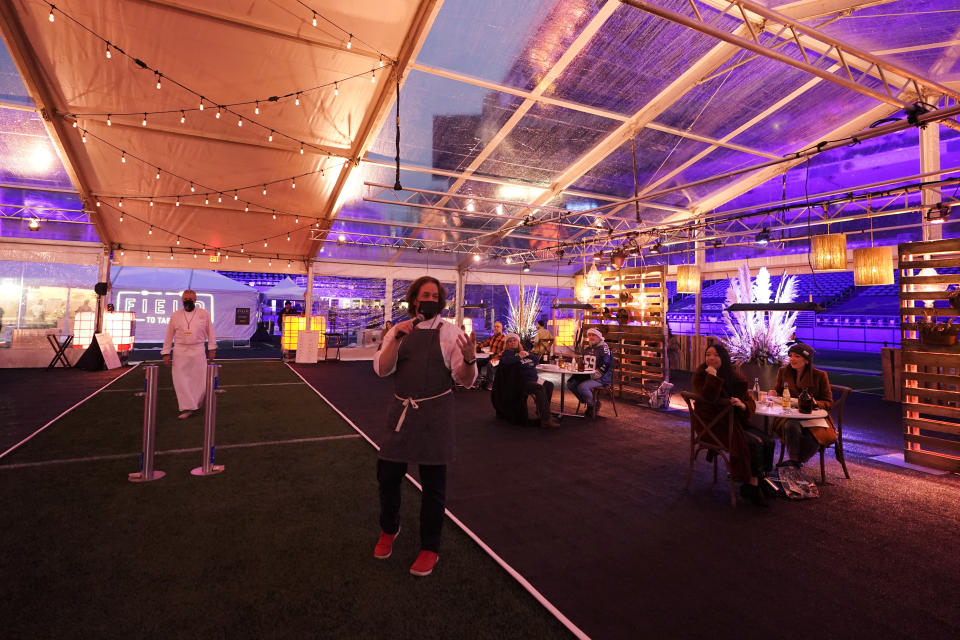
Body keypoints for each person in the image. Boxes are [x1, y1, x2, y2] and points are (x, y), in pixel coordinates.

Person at [373, 276, 476, 577]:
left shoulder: (450, 332)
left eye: (434, 294)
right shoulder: (398, 330)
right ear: (414, 300)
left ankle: (430, 546)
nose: (429, 299)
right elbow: (381, 369)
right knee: (388, 476)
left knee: (434, 486)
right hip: (401, 413)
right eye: (424, 294)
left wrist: (469, 360)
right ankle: (389, 528)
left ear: (440, 300)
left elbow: (465, 381)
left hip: (435, 417)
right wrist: (397, 339)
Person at [692, 343, 775, 506]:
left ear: (723, 357)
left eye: (715, 355)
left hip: (734, 422)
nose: (711, 358)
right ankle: (752, 485)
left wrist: (743, 405)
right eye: (708, 354)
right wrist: (712, 378)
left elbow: (748, 401)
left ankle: (759, 479)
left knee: (768, 441)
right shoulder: (701, 375)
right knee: (753, 443)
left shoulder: (734, 377)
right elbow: (709, 399)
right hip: (713, 427)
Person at [768, 343, 835, 468]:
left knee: (813, 436)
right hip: (789, 415)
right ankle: (794, 461)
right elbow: (777, 391)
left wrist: (815, 403)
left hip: (813, 416)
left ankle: (796, 463)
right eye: (791, 356)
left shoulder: (819, 375)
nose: (792, 359)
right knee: (790, 426)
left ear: (806, 360)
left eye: (797, 356)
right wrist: (774, 393)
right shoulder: (784, 371)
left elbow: (828, 402)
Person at [161, 290, 216, 420]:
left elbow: (210, 331)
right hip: (180, 351)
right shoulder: (175, 315)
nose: (188, 301)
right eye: (185, 299)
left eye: (190, 298)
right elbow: (169, 334)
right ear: (182, 300)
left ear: (195, 300)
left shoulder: (204, 314)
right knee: (180, 380)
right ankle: (187, 407)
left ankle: (196, 402)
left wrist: (212, 348)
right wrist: (166, 352)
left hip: (198, 350)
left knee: (199, 379)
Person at [499, 333, 559, 428]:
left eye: (514, 340)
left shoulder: (524, 351)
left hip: (534, 378)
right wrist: (519, 356)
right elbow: (506, 361)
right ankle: (546, 420)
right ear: (507, 344)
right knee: (539, 388)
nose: (512, 343)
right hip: (522, 381)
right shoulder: (507, 353)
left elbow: (536, 361)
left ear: (518, 342)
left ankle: (541, 410)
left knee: (549, 385)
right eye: (509, 341)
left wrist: (528, 354)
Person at [567, 328, 613, 418]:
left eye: (594, 335)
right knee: (571, 383)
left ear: (599, 337)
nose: (591, 337)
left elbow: (606, 364)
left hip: (601, 378)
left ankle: (593, 405)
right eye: (589, 335)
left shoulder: (604, 348)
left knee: (582, 387)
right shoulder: (588, 348)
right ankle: (589, 401)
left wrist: (594, 375)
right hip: (588, 375)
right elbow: (583, 363)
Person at [477, 320, 506, 389]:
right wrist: (479, 345)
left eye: (497, 327)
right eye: (495, 326)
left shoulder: (504, 338)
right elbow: (486, 343)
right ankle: (478, 380)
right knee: (477, 361)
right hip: (491, 357)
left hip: (499, 359)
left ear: (501, 328)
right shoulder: (493, 337)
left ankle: (490, 384)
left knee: (490, 364)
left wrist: (497, 357)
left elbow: (504, 351)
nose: (496, 328)